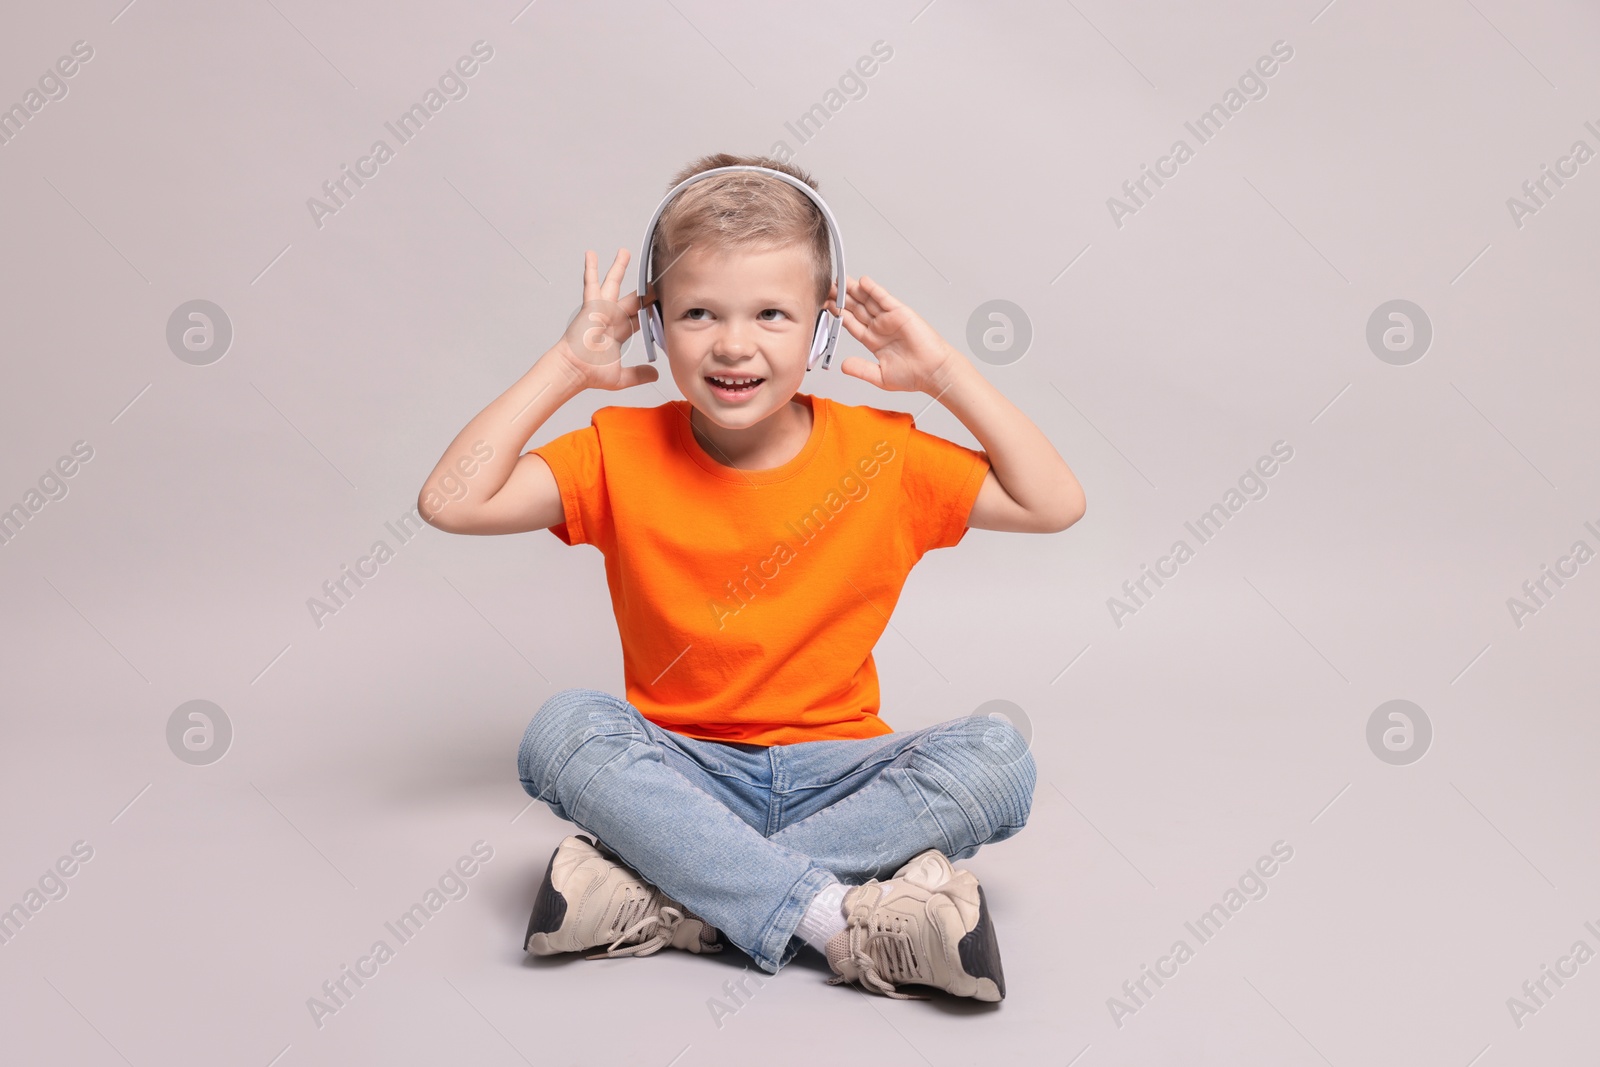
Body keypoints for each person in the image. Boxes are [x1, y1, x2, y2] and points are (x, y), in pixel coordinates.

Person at [418, 153, 1085, 1002]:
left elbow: (1055, 502)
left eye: (772, 313)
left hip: (843, 769)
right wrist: (566, 368)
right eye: (699, 313)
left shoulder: (882, 452)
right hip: (682, 766)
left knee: (997, 759)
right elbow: (450, 499)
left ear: (823, 327)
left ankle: (674, 895)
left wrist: (944, 374)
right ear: (657, 326)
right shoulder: (618, 449)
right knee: (564, 731)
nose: (734, 344)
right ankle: (835, 918)